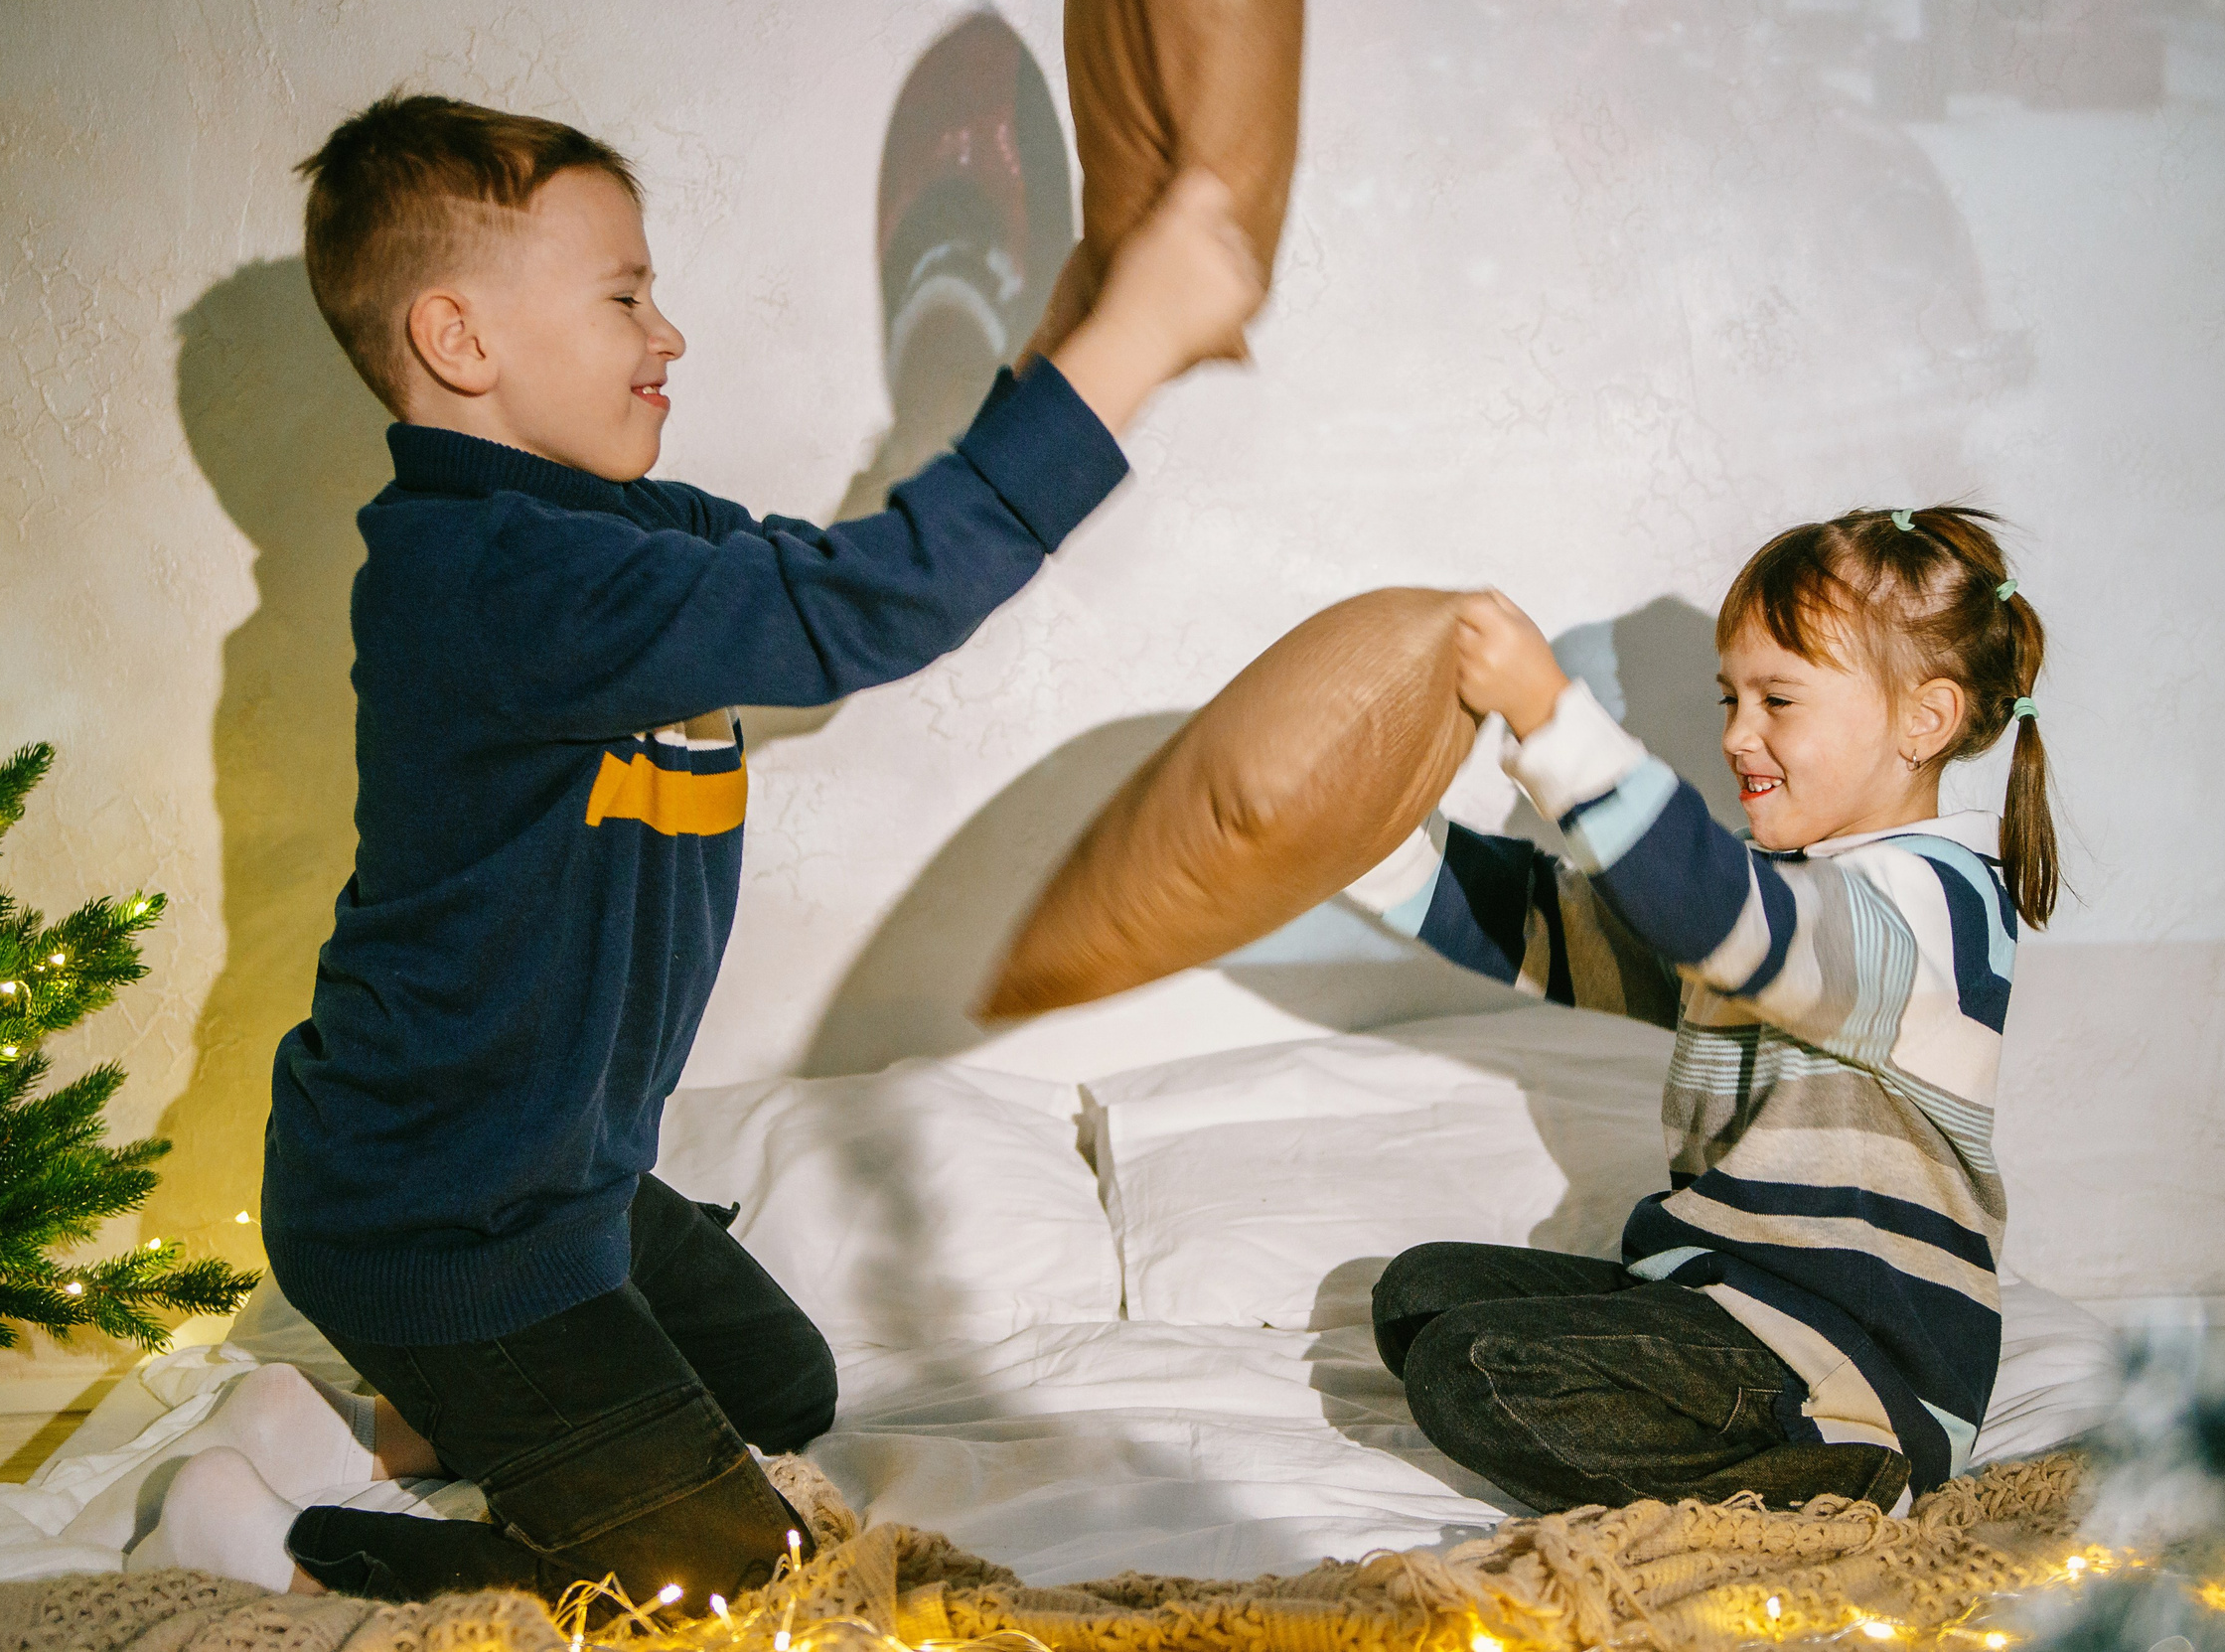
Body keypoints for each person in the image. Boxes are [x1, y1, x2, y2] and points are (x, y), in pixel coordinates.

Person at [129, 90, 1262, 1606]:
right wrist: (1119, 363)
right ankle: (269, 1535)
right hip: (439, 1212)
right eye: (624, 296)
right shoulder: (485, 578)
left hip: (558, 1180)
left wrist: (1064, 343)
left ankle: (385, 1424)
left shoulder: (622, 532)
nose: (668, 335)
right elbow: (860, 607)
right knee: (732, 1592)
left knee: (784, 1389)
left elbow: (840, 577)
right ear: (462, 342)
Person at [1349, 507, 2057, 1515]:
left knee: (1469, 1368)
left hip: (1848, 1355)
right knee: (1418, 1296)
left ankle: (1840, 1477)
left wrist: (1552, 717)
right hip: (1719, 1298)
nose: (1735, 735)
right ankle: (1733, 1428)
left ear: (1924, 721)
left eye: (1778, 698)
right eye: (1730, 697)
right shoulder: (1774, 893)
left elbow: (1716, 906)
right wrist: (1369, 843)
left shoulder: (1931, 908)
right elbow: (1561, 932)